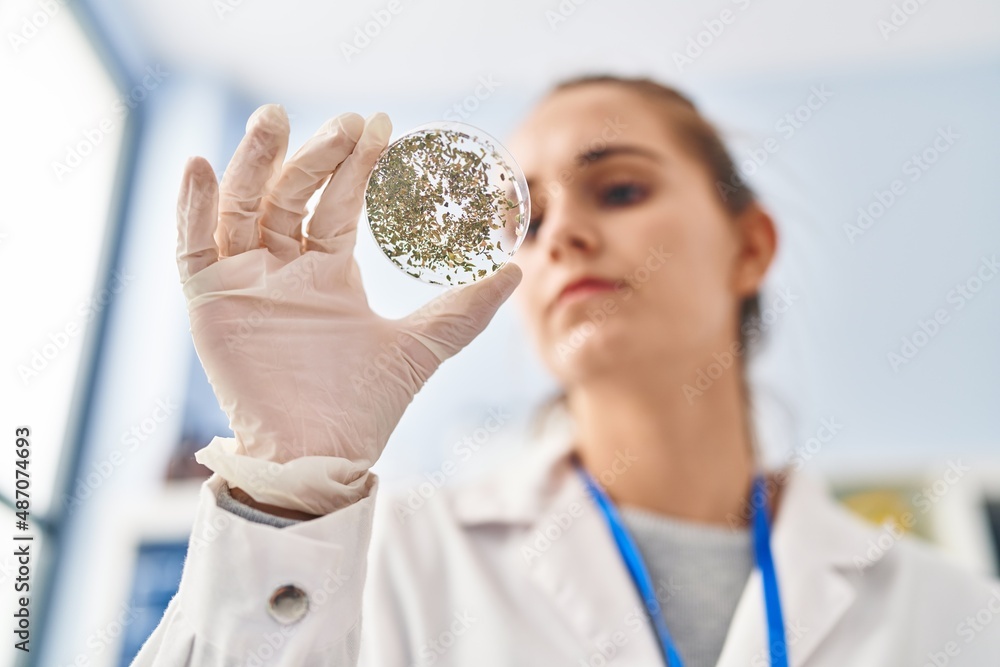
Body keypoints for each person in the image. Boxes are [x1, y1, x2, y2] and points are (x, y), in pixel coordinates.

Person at [133, 75, 1000, 666]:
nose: (563, 236)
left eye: (620, 190)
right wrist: (291, 468)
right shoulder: (379, 554)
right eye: (530, 214)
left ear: (749, 246)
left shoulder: (956, 617)